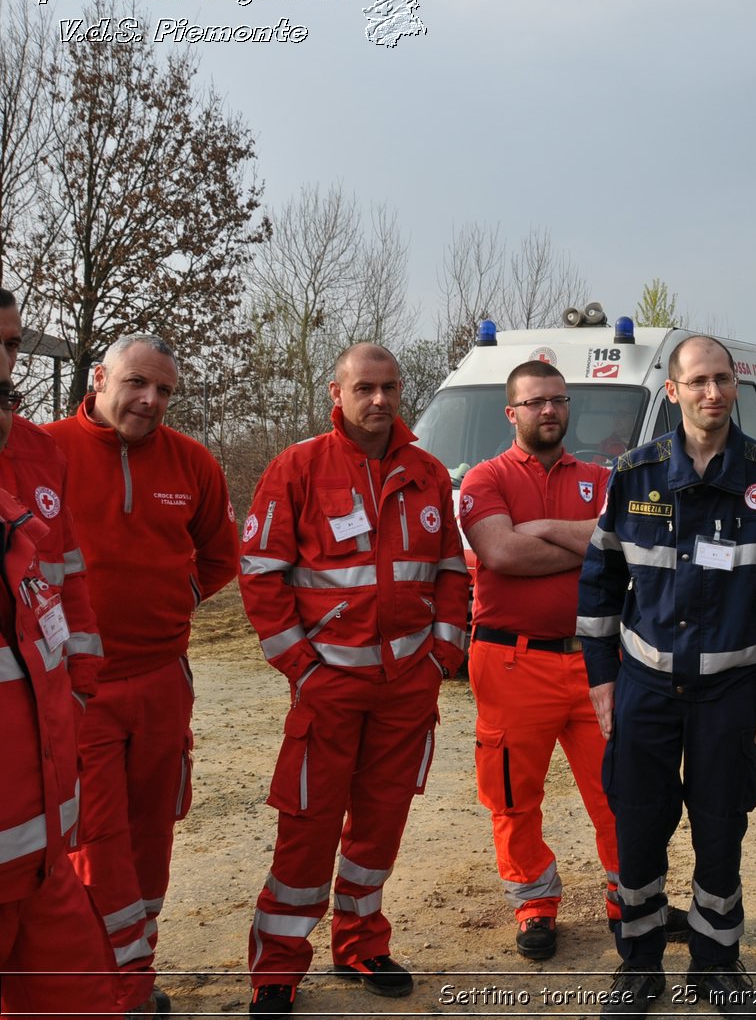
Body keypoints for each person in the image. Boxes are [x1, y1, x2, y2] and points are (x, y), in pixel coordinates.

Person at [578, 335, 756, 1018]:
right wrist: (601, 680)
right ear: (672, 391)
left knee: (720, 828)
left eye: (723, 379)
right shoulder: (635, 473)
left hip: (732, 694)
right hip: (647, 689)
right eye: (699, 381)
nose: (714, 392)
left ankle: (716, 963)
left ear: (735, 386)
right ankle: (640, 964)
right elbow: (599, 584)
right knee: (639, 827)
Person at [238, 344, 469, 1017]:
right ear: (335, 394)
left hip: (406, 690)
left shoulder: (428, 473)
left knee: (379, 823)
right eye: (364, 387)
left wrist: (439, 658)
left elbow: (453, 573)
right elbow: (260, 574)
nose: (379, 400)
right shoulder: (298, 468)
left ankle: (361, 941)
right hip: (328, 687)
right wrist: (304, 668)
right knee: (306, 826)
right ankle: (276, 966)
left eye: (390, 387)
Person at [461, 360, 687, 959]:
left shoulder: (602, 477)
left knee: (620, 789)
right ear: (511, 412)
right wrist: (583, 540)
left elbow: (626, 543)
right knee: (512, 795)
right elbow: (502, 553)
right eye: (535, 402)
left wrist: (544, 527)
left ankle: (631, 899)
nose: (549, 411)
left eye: (558, 400)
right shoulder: (483, 479)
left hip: (599, 661)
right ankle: (534, 905)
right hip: (511, 662)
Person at [44, 333, 239, 1017]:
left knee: (151, 837)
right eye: (136, 383)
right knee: (95, 844)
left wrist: (169, 596)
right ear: (99, 378)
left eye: (164, 391)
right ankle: (105, 987)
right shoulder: (43, 452)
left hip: (163, 681)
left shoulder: (192, 462)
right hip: (78, 690)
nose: (150, 400)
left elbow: (220, 554)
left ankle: (132, 974)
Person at [0, 299, 119, 1018]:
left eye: (12, 344)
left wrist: (72, 696)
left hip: (42, 844)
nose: (5, 358)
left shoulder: (36, 457)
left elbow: (66, 585)